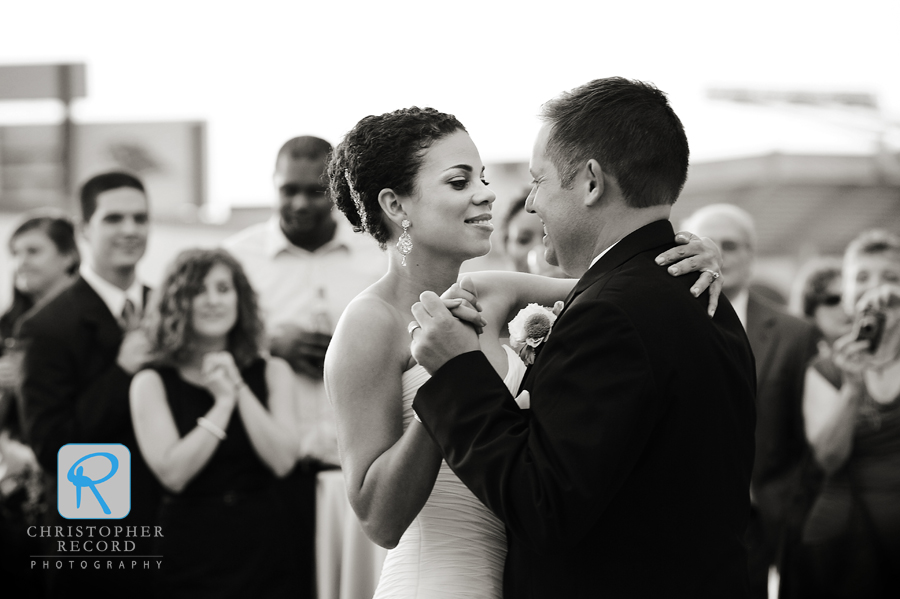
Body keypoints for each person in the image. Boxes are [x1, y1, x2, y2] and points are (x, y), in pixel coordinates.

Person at [325, 100, 726, 599]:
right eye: (459, 182)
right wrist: (445, 384)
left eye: (483, 178)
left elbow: (622, 284)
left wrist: (696, 252)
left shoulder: (493, 291)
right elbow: (378, 519)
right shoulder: (369, 323)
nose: (486, 195)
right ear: (395, 206)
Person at [224, 136, 386, 598]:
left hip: (358, 474)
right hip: (267, 479)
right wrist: (269, 343)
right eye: (287, 190)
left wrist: (355, 346)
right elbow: (203, 345)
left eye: (313, 191)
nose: (298, 202)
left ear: (336, 191)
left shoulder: (377, 257)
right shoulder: (238, 259)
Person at [17, 171, 160, 598]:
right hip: (96, 535)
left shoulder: (169, 308)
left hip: (178, 528)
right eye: (114, 218)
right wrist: (121, 372)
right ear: (84, 230)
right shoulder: (45, 326)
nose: (130, 230)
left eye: (140, 218)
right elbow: (50, 445)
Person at [130, 248, 296, 598]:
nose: (212, 301)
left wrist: (237, 387)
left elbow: (282, 462)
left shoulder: (274, 372)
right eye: (197, 290)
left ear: (240, 299)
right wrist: (221, 404)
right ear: (178, 302)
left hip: (265, 548)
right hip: (189, 552)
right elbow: (174, 475)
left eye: (223, 289)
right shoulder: (151, 382)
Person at [681, 203, 820, 597]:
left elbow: (810, 440)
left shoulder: (795, 334)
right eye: (709, 244)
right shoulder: (665, 323)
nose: (720, 255)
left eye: (732, 245)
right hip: (685, 516)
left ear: (752, 255)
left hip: (768, 518)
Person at [799, 229, 900, 598]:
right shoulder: (825, 368)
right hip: (849, 543)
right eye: (862, 277)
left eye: (891, 277)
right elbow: (828, 458)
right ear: (847, 293)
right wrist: (853, 388)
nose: (876, 287)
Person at [0, 211, 79, 599]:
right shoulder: (7, 326)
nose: (21, 261)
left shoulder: (91, 319)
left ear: (68, 256)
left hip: (83, 471)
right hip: (16, 480)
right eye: (15, 252)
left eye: (33, 250)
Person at [791, 257, 852, 358]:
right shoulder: (797, 359)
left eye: (849, 299)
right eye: (832, 300)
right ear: (810, 309)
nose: (845, 307)